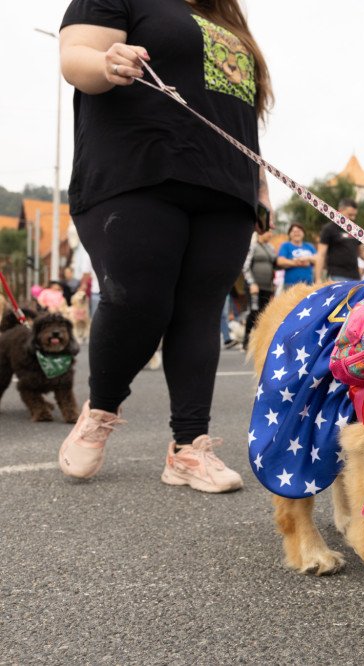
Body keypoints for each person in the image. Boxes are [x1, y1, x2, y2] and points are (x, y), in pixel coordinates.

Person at [57, 0, 273, 492]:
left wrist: (259, 186)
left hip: (225, 183)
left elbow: (239, 115)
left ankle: (188, 447)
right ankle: (101, 409)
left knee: (201, 310)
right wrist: (106, 62)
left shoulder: (226, 19)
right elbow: (74, 56)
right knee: (139, 301)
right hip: (137, 169)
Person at [314, 198, 364, 283]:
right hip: (336, 276)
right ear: (340, 211)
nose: (353, 218)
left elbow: (361, 252)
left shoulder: (355, 230)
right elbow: (321, 255)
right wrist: (318, 279)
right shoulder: (329, 229)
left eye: (354, 215)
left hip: (355, 276)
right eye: (350, 215)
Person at [242, 229, 277, 350]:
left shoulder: (271, 248)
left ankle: (259, 342)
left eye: (271, 232)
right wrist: (252, 283)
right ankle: (246, 340)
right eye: (268, 232)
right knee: (254, 312)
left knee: (264, 314)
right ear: (262, 232)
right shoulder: (252, 246)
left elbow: (274, 266)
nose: (270, 234)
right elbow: (245, 267)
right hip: (254, 287)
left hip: (267, 287)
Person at [276, 223, 315, 287]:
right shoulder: (285, 246)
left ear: (303, 233)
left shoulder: (310, 246)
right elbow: (280, 261)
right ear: (289, 234)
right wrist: (298, 263)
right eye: (294, 231)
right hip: (290, 285)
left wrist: (308, 259)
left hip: (309, 285)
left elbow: (318, 260)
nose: (296, 233)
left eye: (299, 231)